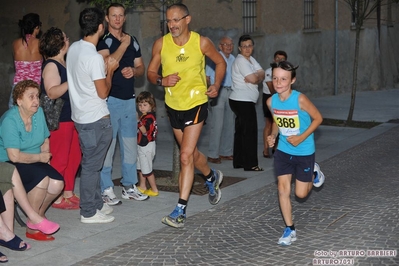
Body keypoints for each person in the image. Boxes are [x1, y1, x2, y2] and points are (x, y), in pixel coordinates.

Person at [147, 3, 226, 228]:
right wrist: (162, 80)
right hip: (174, 106)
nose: (172, 25)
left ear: (187, 19)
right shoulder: (161, 44)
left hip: (197, 103)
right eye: (169, 21)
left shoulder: (201, 42)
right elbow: (151, 73)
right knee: (190, 154)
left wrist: (217, 84)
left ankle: (180, 210)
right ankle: (211, 177)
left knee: (184, 156)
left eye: (176, 20)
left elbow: (220, 62)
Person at [66, 7, 119, 224]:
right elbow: (103, 92)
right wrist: (111, 70)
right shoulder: (94, 58)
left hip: (80, 117)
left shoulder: (75, 49)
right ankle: (88, 211)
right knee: (91, 166)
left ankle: (96, 203)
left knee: (92, 163)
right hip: (96, 119)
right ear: (101, 27)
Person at [266, 61, 325, 246]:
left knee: (300, 194)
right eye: (275, 78)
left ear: (292, 80)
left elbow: (318, 118)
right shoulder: (270, 101)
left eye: (283, 79)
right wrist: (273, 135)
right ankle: (289, 229)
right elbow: (276, 121)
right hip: (283, 150)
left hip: (304, 150)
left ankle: (314, 172)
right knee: (282, 189)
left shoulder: (300, 99)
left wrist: (301, 137)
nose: (278, 82)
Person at [97, 3, 148, 206]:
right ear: (107, 19)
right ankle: (106, 188)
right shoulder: (103, 41)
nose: (117, 19)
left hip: (129, 101)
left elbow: (141, 67)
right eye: (113, 16)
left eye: (120, 15)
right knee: (108, 147)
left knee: (130, 146)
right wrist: (123, 45)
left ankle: (129, 186)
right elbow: (107, 63)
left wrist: (134, 72)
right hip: (110, 100)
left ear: (124, 18)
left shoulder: (133, 39)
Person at [0, 80, 63, 241]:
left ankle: (36, 218)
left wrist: (45, 158)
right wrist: (40, 158)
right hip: (10, 163)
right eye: (31, 97)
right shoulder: (10, 120)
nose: (36, 101)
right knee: (41, 181)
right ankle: (33, 227)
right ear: (19, 101)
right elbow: (14, 156)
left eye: (37, 96)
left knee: (57, 183)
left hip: (34, 159)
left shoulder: (38, 112)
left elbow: (45, 139)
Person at [39, 27, 82, 210]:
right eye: (66, 38)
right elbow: (51, 92)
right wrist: (72, 80)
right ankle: (54, 197)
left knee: (74, 157)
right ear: (60, 43)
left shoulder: (63, 63)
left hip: (71, 117)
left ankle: (68, 192)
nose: (68, 40)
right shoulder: (51, 65)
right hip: (60, 120)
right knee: (60, 159)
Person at [229, 34, 265, 171]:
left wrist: (257, 76)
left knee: (241, 131)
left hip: (242, 100)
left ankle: (239, 162)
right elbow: (254, 78)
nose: (247, 49)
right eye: (244, 46)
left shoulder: (250, 60)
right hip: (242, 100)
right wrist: (255, 77)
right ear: (239, 48)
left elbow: (261, 74)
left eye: (249, 46)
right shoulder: (241, 61)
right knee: (249, 132)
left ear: (253, 47)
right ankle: (251, 164)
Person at [206, 36, 235, 164]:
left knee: (230, 122)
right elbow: (207, 77)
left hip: (231, 91)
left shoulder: (234, 59)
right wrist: (211, 90)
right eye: (226, 44)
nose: (229, 47)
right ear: (220, 46)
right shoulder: (215, 57)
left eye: (231, 44)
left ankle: (226, 152)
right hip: (219, 91)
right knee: (217, 124)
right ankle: (213, 154)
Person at [9, 13, 43, 109]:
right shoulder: (40, 44)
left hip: (18, 87)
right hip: (34, 88)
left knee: (15, 118)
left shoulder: (15, 43)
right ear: (36, 27)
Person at [262, 50, 287, 158]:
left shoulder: (286, 72)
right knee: (269, 123)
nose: (279, 61)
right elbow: (271, 88)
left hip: (281, 97)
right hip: (270, 97)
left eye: (282, 59)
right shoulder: (269, 71)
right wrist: (279, 98)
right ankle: (266, 149)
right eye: (277, 58)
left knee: (279, 123)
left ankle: (276, 147)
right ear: (274, 59)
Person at [136, 91, 159, 197]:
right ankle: (142, 186)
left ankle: (154, 189)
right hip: (141, 145)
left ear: (151, 105)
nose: (142, 107)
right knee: (140, 166)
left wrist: (138, 122)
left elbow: (144, 131)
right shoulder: (145, 116)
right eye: (140, 105)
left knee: (147, 169)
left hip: (147, 146)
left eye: (145, 105)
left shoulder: (149, 118)